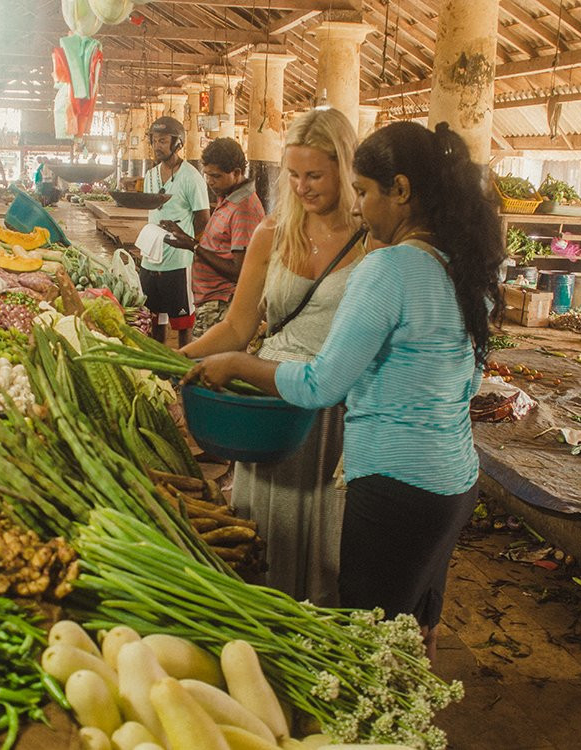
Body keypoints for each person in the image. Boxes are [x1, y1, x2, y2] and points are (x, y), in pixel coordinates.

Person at [186, 121, 505, 662]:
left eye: (363, 191)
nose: (359, 208)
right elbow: (470, 379)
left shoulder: (388, 265)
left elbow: (323, 383)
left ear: (400, 191)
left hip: (393, 481)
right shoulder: (460, 266)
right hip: (452, 482)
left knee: (366, 638)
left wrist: (239, 363)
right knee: (415, 630)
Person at [181, 108, 366, 606]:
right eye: (293, 175)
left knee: (328, 538)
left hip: (337, 409)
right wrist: (181, 362)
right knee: (266, 535)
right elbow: (238, 327)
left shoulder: (374, 240)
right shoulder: (272, 233)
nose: (302, 187)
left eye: (315, 175)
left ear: (345, 168)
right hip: (270, 402)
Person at [161, 137, 265, 339]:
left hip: (222, 305)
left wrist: (194, 247)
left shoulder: (243, 209)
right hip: (209, 302)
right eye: (207, 175)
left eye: (216, 176)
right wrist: (185, 237)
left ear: (236, 173)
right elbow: (221, 247)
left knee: (206, 366)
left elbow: (239, 271)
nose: (210, 182)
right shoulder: (227, 197)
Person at [141, 116, 210, 347]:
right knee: (154, 320)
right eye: (154, 141)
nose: (157, 146)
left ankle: (184, 364)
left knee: (183, 322)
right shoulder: (150, 175)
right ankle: (158, 367)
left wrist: (193, 249)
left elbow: (203, 220)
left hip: (178, 262)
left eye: (163, 141)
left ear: (177, 144)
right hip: (151, 259)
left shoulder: (191, 177)